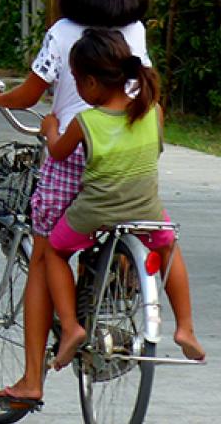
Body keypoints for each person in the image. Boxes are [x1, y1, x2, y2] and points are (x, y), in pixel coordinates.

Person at [0, 0, 156, 409]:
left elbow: (30, 95)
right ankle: (117, 273)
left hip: (72, 157)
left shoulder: (62, 32)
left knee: (44, 256)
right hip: (127, 163)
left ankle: (31, 380)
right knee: (118, 222)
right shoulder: (135, 31)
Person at [41, 28, 203, 372]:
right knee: (168, 247)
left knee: (54, 251)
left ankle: (71, 327)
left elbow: (57, 152)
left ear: (91, 83)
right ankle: (186, 327)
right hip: (146, 210)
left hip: (96, 212)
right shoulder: (153, 112)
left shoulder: (85, 122)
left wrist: (50, 127)